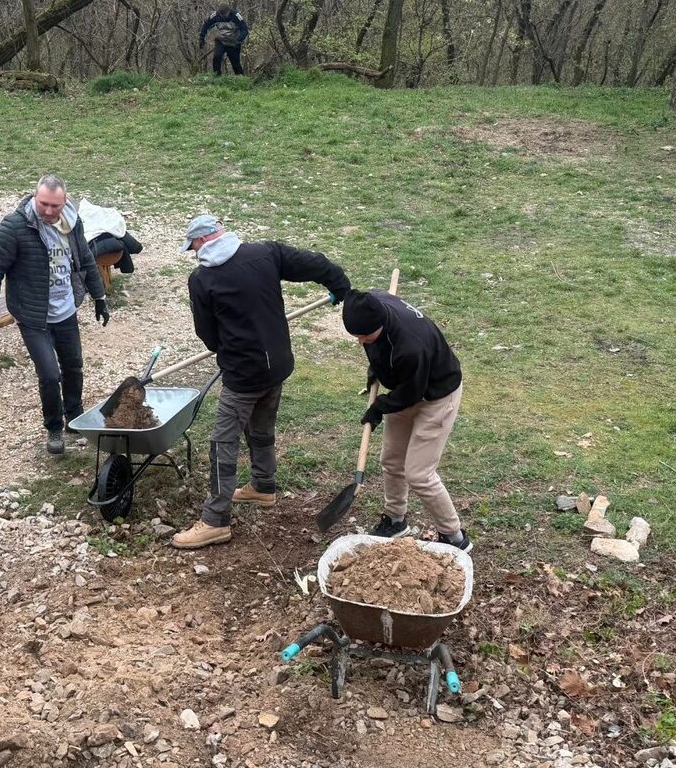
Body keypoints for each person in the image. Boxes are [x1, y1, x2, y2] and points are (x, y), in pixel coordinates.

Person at [172, 215, 350, 549]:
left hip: (243, 375)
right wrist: (340, 285)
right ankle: (263, 486)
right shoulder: (264, 253)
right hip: (278, 366)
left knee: (222, 442)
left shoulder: (203, 279)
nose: (193, 253)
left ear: (203, 240)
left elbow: (208, 336)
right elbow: (315, 264)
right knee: (260, 427)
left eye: (193, 246)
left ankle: (214, 520)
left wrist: (227, 344)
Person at [0, 175, 110, 455]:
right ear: (34, 197)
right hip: (33, 315)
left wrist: (99, 298)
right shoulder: (14, 227)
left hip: (65, 310)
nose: (49, 211)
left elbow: (85, 258)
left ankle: (74, 417)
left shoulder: (72, 223)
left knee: (74, 366)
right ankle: (53, 427)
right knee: (50, 375)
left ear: (65, 203)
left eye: (55, 206)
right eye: (44, 204)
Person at [340, 289, 472, 551]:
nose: (360, 342)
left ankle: (454, 537)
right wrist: (377, 366)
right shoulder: (375, 302)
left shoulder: (411, 346)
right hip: (407, 384)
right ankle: (395, 520)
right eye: (357, 336)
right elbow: (381, 347)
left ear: (379, 324)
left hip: (436, 396)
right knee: (392, 461)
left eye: (365, 337)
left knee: (419, 474)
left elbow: (411, 393)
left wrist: (379, 407)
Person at [199, 4, 249, 76]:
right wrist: (201, 38)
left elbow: (244, 29)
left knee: (235, 63)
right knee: (216, 57)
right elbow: (206, 25)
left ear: (229, 12)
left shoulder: (236, 16)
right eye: (221, 15)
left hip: (234, 42)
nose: (223, 16)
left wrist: (239, 38)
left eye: (224, 15)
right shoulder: (215, 15)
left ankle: (241, 78)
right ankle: (217, 77)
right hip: (221, 41)